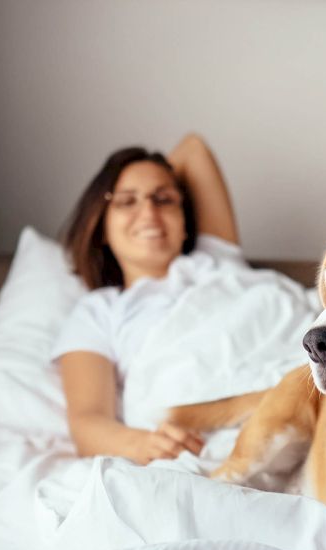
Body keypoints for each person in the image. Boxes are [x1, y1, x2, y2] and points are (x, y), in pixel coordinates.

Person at [53, 134, 241, 465]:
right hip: (203, 437)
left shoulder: (217, 261)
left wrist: (147, 178)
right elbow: (87, 421)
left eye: (163, 199)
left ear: (184, 221)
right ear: (101, 226)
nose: (149, 211)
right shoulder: (99, 311)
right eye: (127, 202)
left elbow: (193, 148)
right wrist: (143, 444)